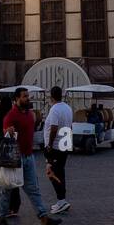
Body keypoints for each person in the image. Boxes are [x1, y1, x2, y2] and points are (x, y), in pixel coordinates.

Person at [0, 87, 61, 225]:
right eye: (24, 96)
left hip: (28, 156)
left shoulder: (30, 114)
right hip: (14, 159)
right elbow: (5, 133)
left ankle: (43, 217)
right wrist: (8, 132)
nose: (27, 98)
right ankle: (1, 218)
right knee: (6, 188)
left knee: (33, 189)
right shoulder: (10, 116)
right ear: (16, 99)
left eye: (28, 96)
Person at [43, 86, 73, 215]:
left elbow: (54, 128)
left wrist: (49, 144)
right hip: (64, 144)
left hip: (55, 146)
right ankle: (62, 199)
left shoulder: (54, 110)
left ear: (52, 96)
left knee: (52, 172)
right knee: (60, 172)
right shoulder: (67, 108)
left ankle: (61, 200)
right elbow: (70, 126)